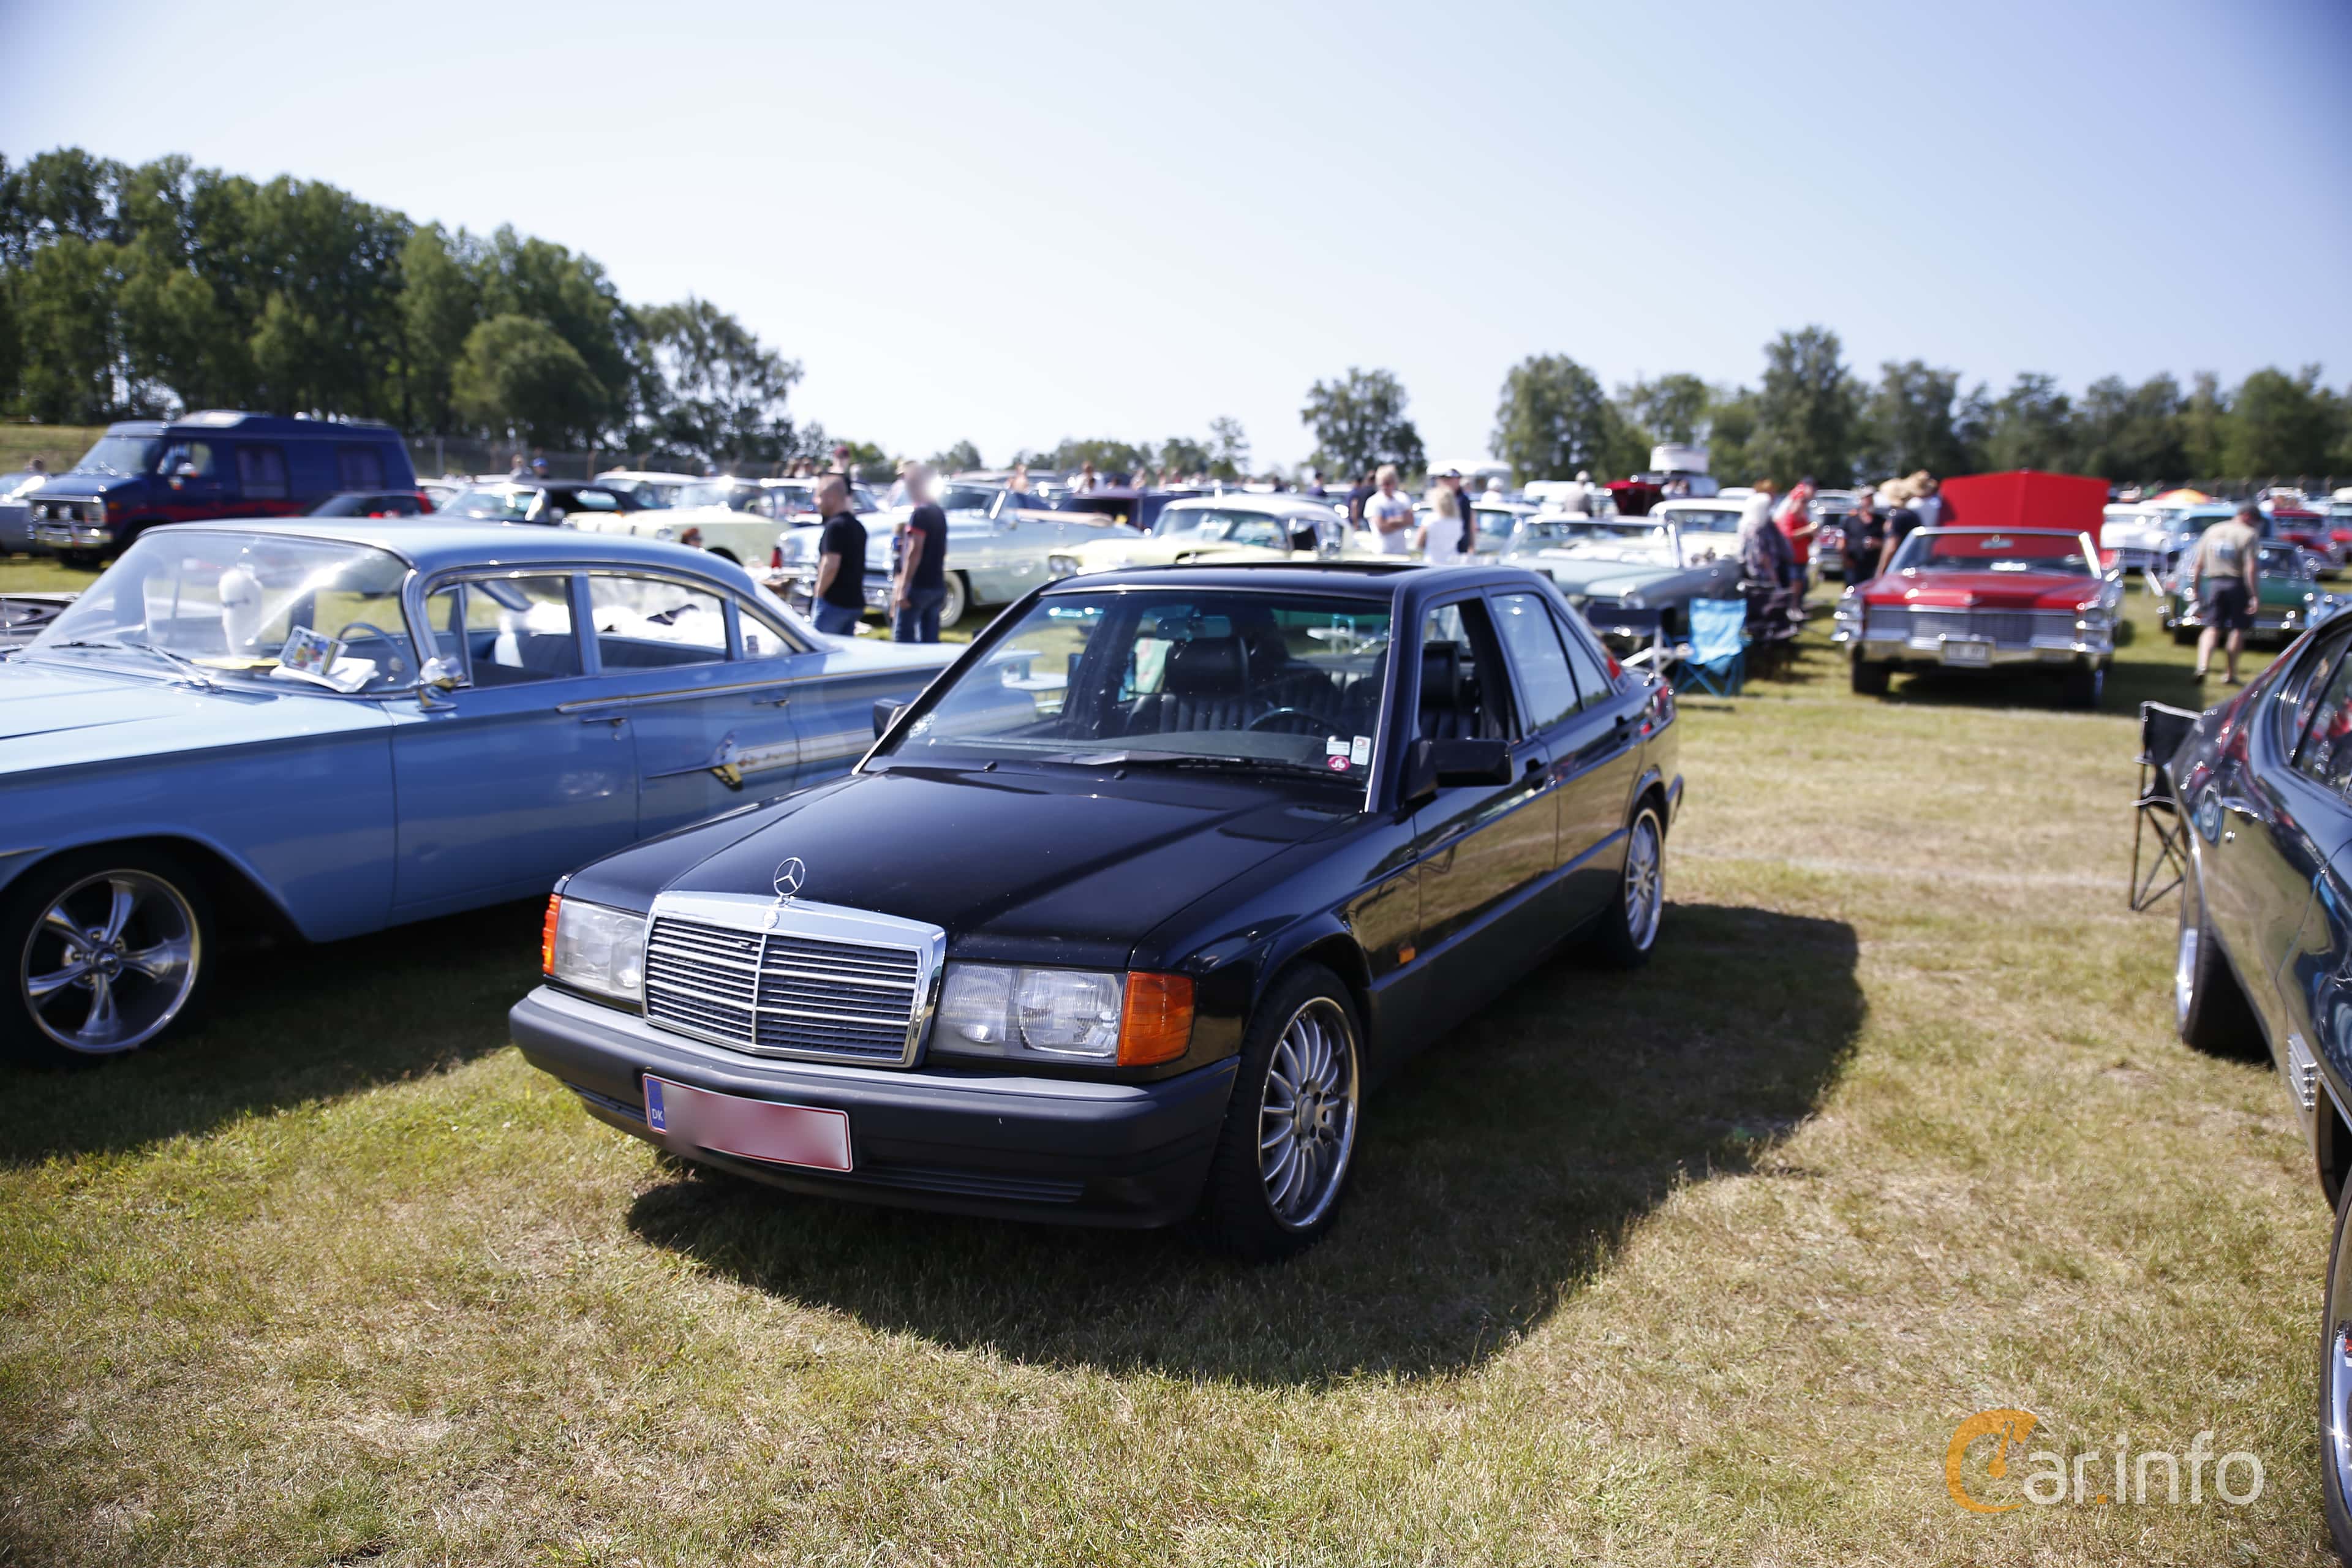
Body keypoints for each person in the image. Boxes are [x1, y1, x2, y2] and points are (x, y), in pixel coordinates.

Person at [2188, 502, 2263, 684]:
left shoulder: (2212, 531)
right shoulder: (2249, 535)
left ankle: (2203, 666)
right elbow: (2250, 567)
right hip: (2237, 584)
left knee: (2212, 627)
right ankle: (2230, 673)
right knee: (2237, 628)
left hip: (2214, 583)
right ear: (2246, 517)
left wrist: (2196, 589)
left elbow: (2198, 565)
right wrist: (2254, 595)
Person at [892, 463, 949, 643]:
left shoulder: (920, 514)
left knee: (903, 639)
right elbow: (944, 549)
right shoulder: (939, 512)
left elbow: (914, 550)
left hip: (918, 586)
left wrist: (903, 587)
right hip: (936, 584)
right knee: (930, 640)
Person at [809, 474, 868, 637]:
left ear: (831, 497)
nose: (817, 501)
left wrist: (818, 593)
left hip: (833, 603)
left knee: (819, 651)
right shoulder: (858, 527)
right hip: (853, 603)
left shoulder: (835, 527)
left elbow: (831, 565)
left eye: (820, 496)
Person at [1775, 475, 1818, 594]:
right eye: (1813, 488)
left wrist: (1811, 533)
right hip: (1790, 556)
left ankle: (1796, 605)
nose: (1815, 492)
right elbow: (1787, 535)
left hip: (1801, 556)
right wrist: (1807, 530)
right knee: (1792, 583)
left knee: (1800, 583)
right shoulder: (1789, 511)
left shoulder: (1803, 516)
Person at [1364, 464, 1415, 554]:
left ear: (1394, 482)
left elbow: (1410, 520)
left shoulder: (1403, 498)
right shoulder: (1373, 501)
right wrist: (1401, 521)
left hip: (1401, 552)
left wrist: (1391, 521)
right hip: (1382, 552)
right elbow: (1382, 527)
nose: (1385, 487)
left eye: (1388, 483)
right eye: (1382, 484)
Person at [1414, 485, 1467, 565]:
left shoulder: (1430, 518)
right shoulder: (1458, 521)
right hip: (1452, 563)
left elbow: (1419, 543)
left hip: (1432, 562)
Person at [1845, 488, 1885, 580]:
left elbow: (1888, 543)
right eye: (1867, 499)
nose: (1870, 502)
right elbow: (1843, 541)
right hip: (1855, 565)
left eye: (1871, 499)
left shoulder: (1881, 521)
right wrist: (1846, 559)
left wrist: (1877, 544)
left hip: (1874, 565)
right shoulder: (1851, 520)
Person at [1345, 469, 1378, 533]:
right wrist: (1356, 523)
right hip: (1362, 520)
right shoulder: (1369, 491)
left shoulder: (1357, 491)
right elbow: (1354, 507)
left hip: (1356, 520)